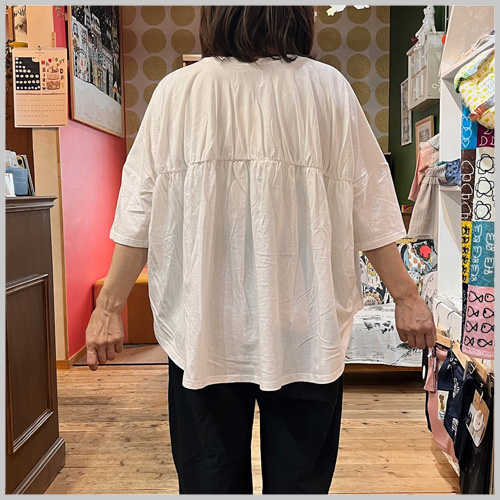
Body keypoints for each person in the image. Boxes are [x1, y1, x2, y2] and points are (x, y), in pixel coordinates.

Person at [85, 6, 436, 494]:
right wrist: (407, 297)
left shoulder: (176, 93)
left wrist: (108, 308)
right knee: (300, 484)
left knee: (209, 481)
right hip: (305, 328)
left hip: (205, 329)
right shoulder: (328, 89)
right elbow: (372, 207)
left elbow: (137, 212)